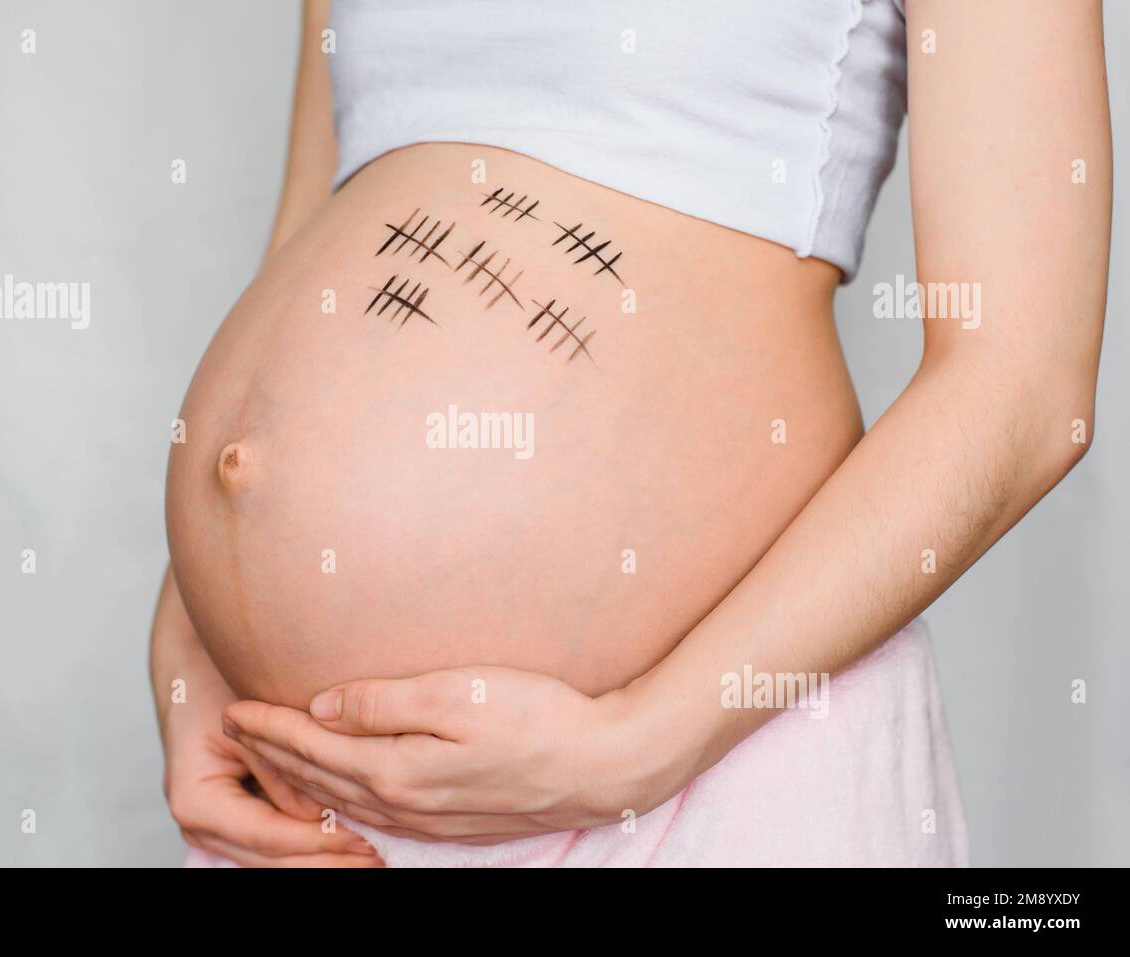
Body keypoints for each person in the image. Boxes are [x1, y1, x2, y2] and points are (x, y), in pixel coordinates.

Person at [151, 0, 1111, 866]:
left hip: (702, 767)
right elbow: (313, 235)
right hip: (306, 783)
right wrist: (196, 623)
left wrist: (638, 745)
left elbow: (1022, 385)